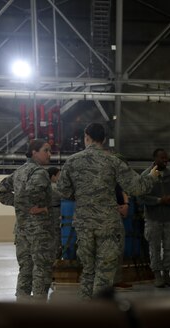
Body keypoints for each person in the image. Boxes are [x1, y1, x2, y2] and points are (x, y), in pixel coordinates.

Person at [55, 123, 157, 300]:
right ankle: (100, 315)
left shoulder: (72, 161)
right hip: (108, 225)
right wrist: (152, 177)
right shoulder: (113, 161)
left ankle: (87, 311)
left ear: (86, 136)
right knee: (105, 272)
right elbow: (137, 187)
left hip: (84, 225)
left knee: (88, 271)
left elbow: (63, 191)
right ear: (103, 139)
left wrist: (81, 196)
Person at [0, 139, 55, 300]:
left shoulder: (19, 171)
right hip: (38, 230)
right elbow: (34, 192)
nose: (50, 154)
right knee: (41, 268)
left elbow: (0, 191)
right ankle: (39, 307)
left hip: (21, 229)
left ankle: (22, 305)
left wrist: (19, 204)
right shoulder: (39, 172)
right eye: (46, 150)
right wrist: (42, 207)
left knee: (25, 269)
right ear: (34, 152)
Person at [139, 148, 170, 288]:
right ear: (155, 159)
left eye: (167, 158)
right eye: (162, 158)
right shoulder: (146, 176)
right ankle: (157, 275)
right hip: (153, 218)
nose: (166, 161)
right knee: (154, 248)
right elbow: (140, 197)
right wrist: (159, 200)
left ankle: (166, 274)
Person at [47, 166, 62, 260]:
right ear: (53, 176)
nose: (59, 177)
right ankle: (55, 256)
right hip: (54, 213)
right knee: (56, 235)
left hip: (51, 213)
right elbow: (63, 195)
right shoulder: (53, 187)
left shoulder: (47, 186)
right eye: (58, 175)